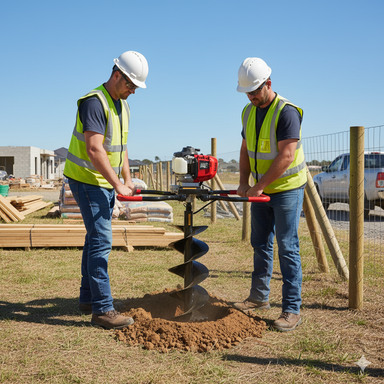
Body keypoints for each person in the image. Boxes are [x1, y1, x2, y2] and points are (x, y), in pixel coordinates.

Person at [64, 51, 149, 329]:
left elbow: (121, 147)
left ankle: (88, 298)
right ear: (117, 75)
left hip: (103, 181)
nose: (133, 91)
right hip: (87, 179)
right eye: (131, 85)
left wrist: (128, 179)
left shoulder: (122, 105)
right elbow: (94, 149)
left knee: (94, 239)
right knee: (101, 241)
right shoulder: (94, 102)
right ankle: (102, 310)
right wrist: (117, 184)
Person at [233, 57, 307, 332]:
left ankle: (291, 310)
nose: (251, 96)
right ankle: (259, 297)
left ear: (268, 84)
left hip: (286, 190)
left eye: (255, 90)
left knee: (287, 247)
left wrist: (259, 184)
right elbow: (244, 150)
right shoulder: (247, 112)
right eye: (247, 92)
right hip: (259, 191)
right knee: (260, 242)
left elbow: (287, 155)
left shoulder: (287, 112)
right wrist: (243, 181)